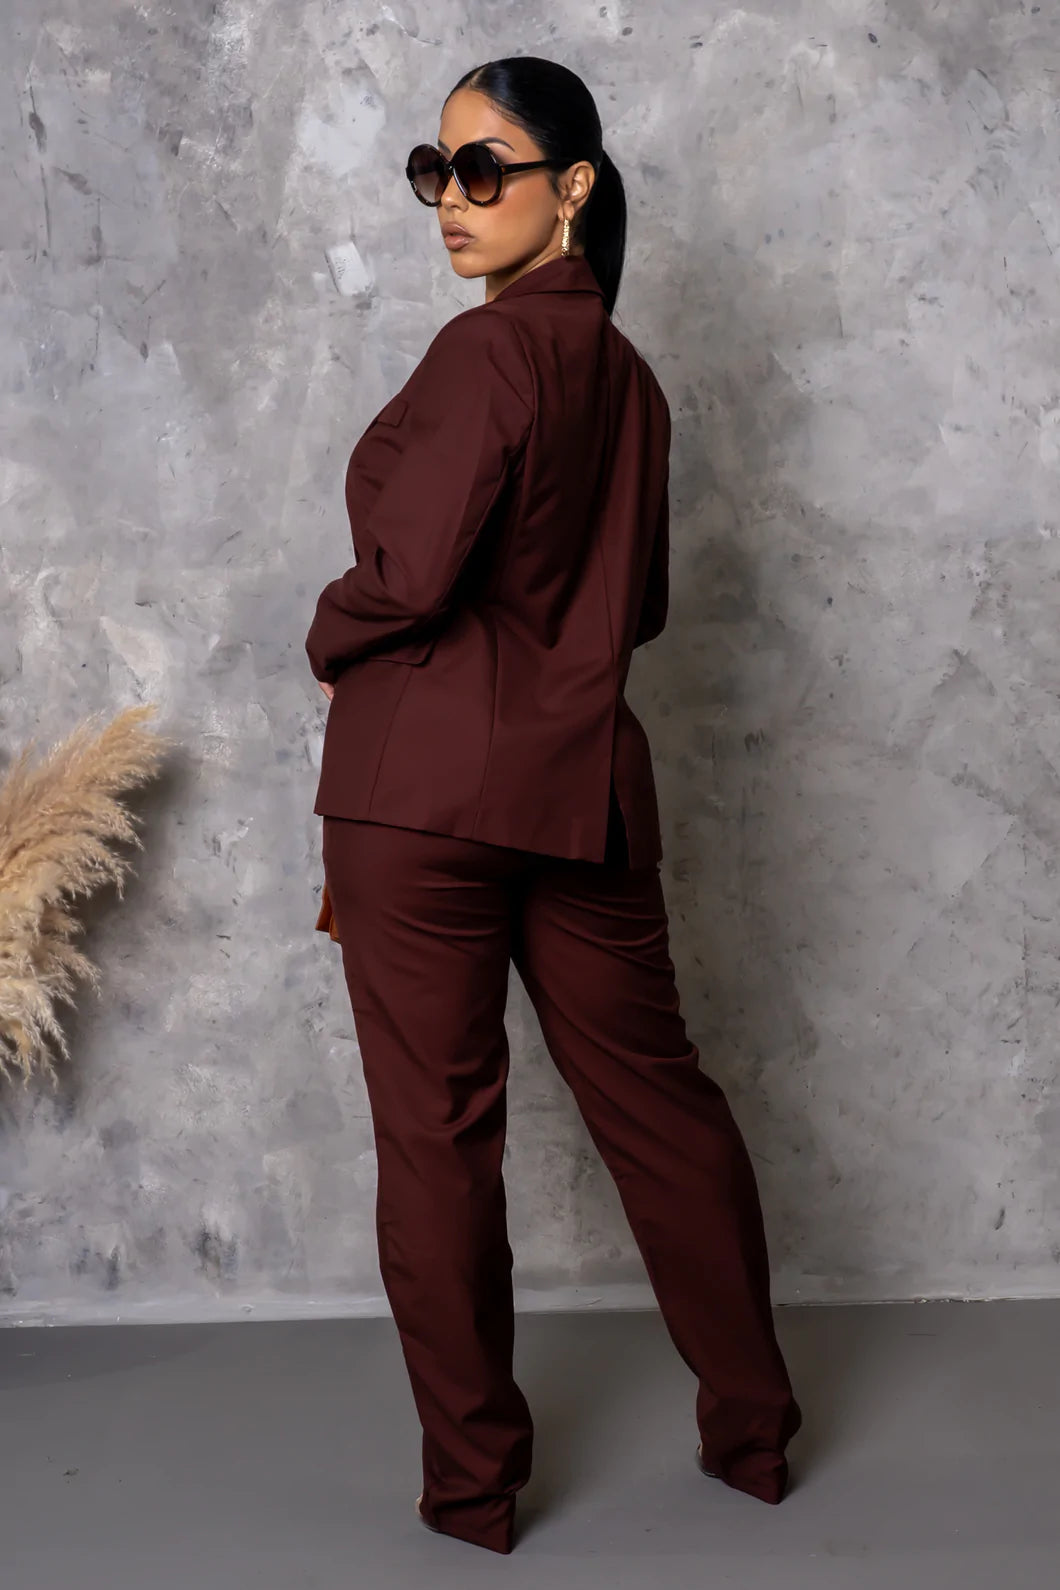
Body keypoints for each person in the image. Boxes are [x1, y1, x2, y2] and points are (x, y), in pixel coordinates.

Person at [304, 55, 802, 1557]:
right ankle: (756, 1433)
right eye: (435, 169)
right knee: (663, 1108)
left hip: (419, 800)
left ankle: (472, 1492)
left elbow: (405, 576)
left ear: (572, 185)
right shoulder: (632, 383)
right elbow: (633, 608)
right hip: (579, 786)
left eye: (485, 169)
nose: (450, 202)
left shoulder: (486, 358)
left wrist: (330, 636)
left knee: (439, 1140)